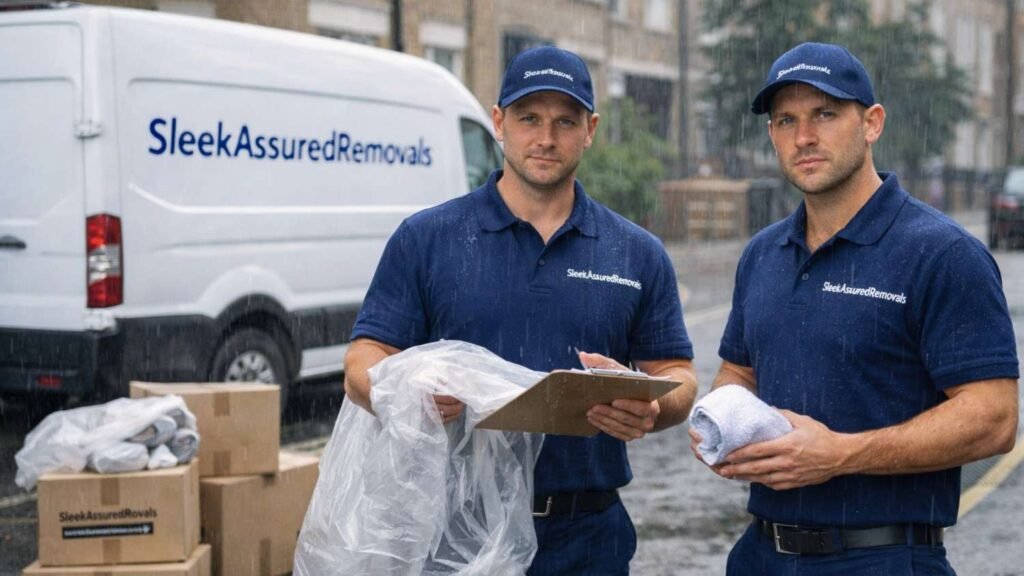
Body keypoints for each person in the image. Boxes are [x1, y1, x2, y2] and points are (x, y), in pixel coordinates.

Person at [344, 45, 698, 575]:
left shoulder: (636, 252)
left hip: (587, 536)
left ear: (591, 128)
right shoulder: (429, 238)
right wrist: (404, 393)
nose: (546, 138)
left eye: (565, 120)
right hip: (456, 531)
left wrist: (652, 409)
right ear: (498, 121)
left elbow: (679, 376)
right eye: (529, 118)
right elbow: (362, 362)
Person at [690, 42, 1020, 575]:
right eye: (786, 120)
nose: (804, 137)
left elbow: (994, 419)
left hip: (883, 556)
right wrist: (721, 421)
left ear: (871, 123)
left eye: (825, 113)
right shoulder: (762, 253)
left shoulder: (942, 253)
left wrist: (840, 453)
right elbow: (738, 370)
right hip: (760, 555)